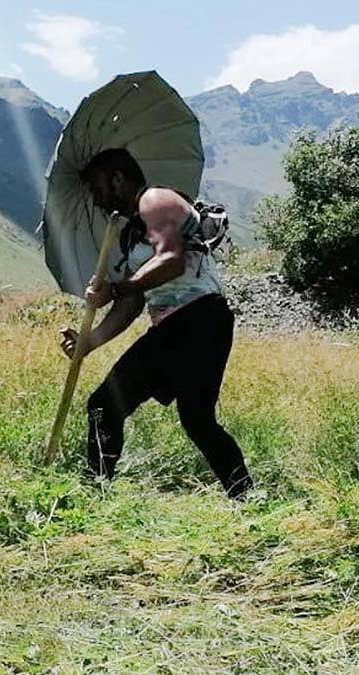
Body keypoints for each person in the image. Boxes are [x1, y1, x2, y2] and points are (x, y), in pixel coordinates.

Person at [58, 148, 253, 499]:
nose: (96, 198)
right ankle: (95, 495)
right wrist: (90, 342)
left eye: (98, 187)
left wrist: (117, 287)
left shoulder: (156, 200)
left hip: (200, 319)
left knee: (195, 420)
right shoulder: (130, 233)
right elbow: (133, 301)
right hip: (171, 327)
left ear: (118, 179)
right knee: (110, 406)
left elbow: (171, 260)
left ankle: (247, 498)